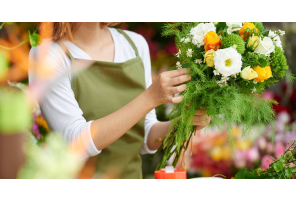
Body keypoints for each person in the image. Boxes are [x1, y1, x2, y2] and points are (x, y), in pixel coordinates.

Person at [29, 22, 211, 178]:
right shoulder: (48, 56)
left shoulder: (134, 44)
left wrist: (181, 124)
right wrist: (150, 98)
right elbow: (75, 143)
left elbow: (145, 134)